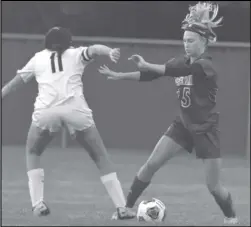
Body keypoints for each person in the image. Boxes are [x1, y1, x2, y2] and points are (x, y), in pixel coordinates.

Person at [98, 2, 238, 224]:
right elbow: (152, 74)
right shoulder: (181, 61)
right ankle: (125, 209)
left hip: (206, 129)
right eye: (184, 41)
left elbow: (172, 70)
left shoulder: (205, 66)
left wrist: (148, 64)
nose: (186, 45)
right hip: (183, 126)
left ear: (203, 41)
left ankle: (231, 218)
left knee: (213, 186)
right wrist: (120, 75)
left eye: (190, 41)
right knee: (151, 164)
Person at [1, 27, 135, 220]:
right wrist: (110, 51)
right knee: (100, 157)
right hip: (76, 110)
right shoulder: (75, 54)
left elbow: (18, 81)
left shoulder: (38, 58)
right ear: (68, 42)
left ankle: (38, 204)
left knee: (33, 152)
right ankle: (121, 208)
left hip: (46, 111)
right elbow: (95, 49)